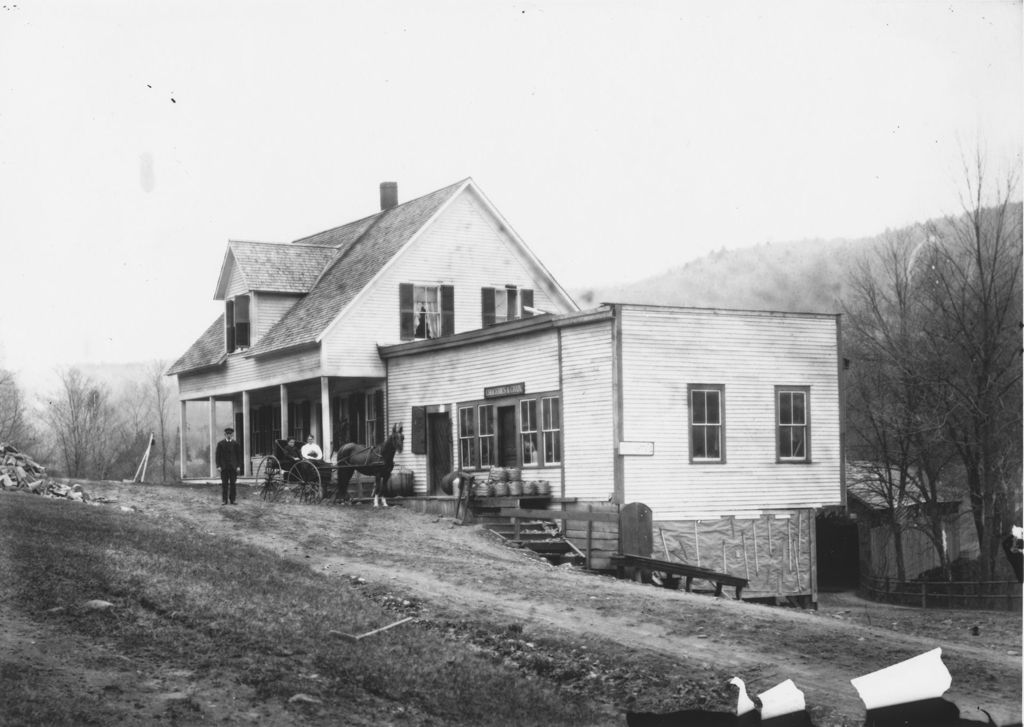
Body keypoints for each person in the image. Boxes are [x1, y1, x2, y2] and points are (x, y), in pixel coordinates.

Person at [215, 427, 243, 505]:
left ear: (232, 434)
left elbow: (239, 456)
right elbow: (217, 456)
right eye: (227, 434)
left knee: (233, 484)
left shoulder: (236, 444)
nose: (229, 435)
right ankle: (224, 500)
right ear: (225, 434)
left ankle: (233, 500)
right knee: (224, 484)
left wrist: (238, 466)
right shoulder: (220, 444)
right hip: (224, 468)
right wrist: (218, 466)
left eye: (230, 434)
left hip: (233, 467)